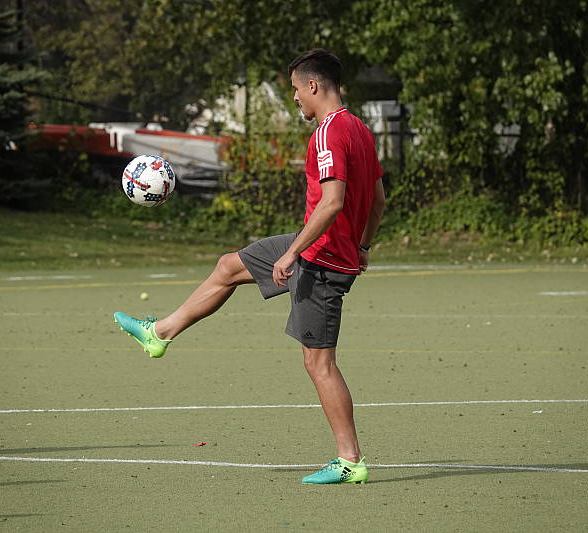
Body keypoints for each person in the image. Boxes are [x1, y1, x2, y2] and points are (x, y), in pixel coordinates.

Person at [114, 48, 386, 485]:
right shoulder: (359, 129)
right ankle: (159, 332)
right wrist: (364, 244)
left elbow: (333, 202)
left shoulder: (329, 133)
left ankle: (350, 460)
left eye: (295, 89)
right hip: (323, 247)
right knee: (229, 266)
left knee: (319, 365)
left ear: (313, 85)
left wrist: (293, 253)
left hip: (321, 260)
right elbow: (378, 199)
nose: (295, 97)